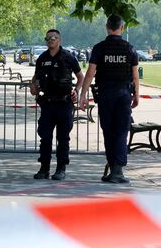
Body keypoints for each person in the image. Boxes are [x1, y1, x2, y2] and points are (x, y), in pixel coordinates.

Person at [79, 14, 139, 183]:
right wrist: (137, 95)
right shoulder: (130, 49)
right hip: (124, 94)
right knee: (121, 131)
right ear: (122, 27)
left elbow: (90, 73)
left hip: (105, 94)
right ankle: (117, 170)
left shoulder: (99, 48)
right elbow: (135, 76)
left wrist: (83, 95)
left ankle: (114, 167)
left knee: (108, 131)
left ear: (107, 27)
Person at [30, 29, 84, 180]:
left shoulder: (68, 57)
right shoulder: (42, 58)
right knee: (45, 137)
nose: (50, 40)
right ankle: (44, 168)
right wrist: (33, 86)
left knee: (63, 138)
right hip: (47, 103)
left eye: (53, 38)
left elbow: (80, 76)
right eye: (48, 38)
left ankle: (61, 169)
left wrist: (77, 90)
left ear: (59, 40)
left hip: (64, 103)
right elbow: (35, 79)